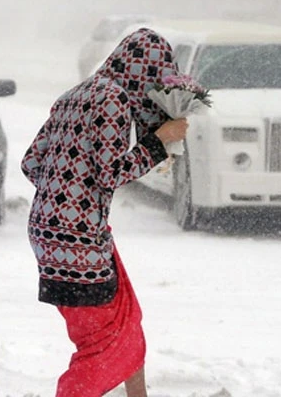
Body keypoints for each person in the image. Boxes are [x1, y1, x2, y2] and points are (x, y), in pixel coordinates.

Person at [21, 28, 188, 397]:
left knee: (127, 321)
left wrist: (66, 197)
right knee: (103, 343)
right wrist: (160, 141)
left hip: (53, 233)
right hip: (79, 240)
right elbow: (110, 173)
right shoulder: (114, 100)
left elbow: (31, 163)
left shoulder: (75, 94)